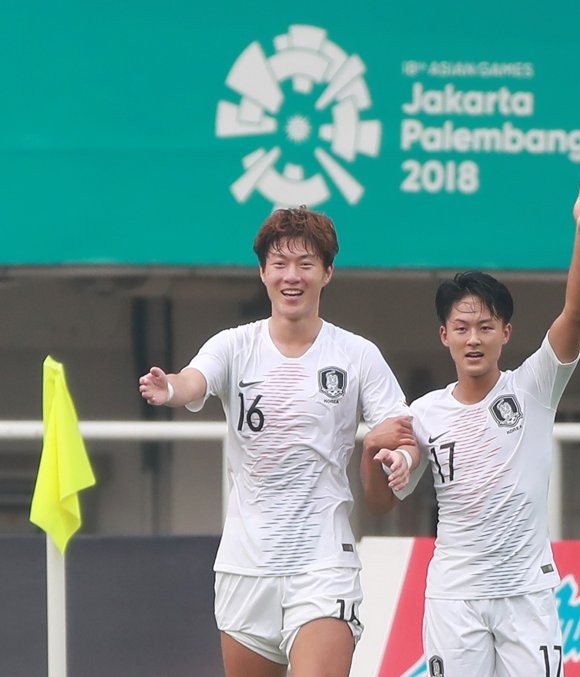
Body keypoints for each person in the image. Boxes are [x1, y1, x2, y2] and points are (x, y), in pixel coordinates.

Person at [138, 206, 417, 677]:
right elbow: (193, 380)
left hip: (323, 565)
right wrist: (170, 388)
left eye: (305, 264)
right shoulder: (233, 345)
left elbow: (399, 428)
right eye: (280, 264)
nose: (292, 276)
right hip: (246, 568)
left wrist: (401, 456)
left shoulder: (357, 354)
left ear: (327, 273)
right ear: (263, 273)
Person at [405, 168, 580, 676]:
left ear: (506, 333)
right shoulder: (423, 412)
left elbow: (575, 315)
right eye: (462, 327)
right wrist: (386, 460)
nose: (473, 338)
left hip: (527, 594)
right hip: (454, 597)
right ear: (444, 335)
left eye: (485, 327)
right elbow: (393, 487)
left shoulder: (534, 387)